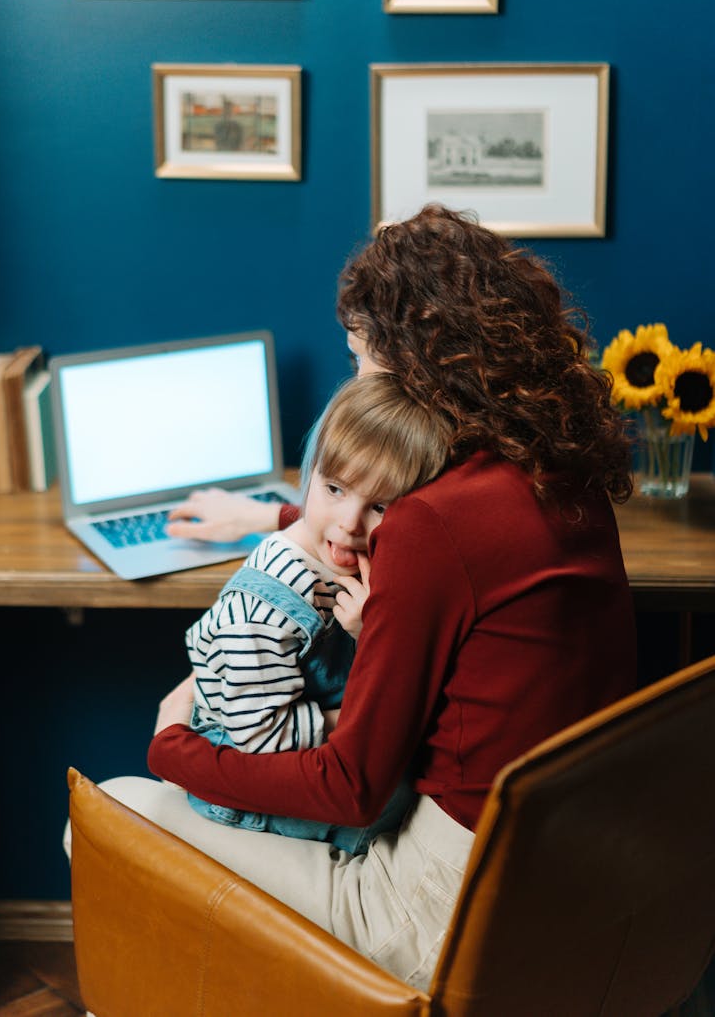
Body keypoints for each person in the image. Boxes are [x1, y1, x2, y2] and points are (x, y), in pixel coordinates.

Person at [96, 204, 636, 990]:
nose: (356, 382)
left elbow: (350, 789)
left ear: (423, 361)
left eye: (361, 359)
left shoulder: (432, 526)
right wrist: (278, 515)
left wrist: (173, 745)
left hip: (437, 910)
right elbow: (455, 554)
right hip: (563, 876)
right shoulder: (556, 470)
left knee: (117, 809)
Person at [183, 372, 451, 854]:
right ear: (310, 474)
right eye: (334, 489)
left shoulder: (362, 567)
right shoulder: (262, 608)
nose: (349, 523)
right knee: (396, 807)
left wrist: (369, 632)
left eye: (381, 506)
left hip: (310, 760)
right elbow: (262, 738)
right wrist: (353, 714)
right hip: (247, 790)